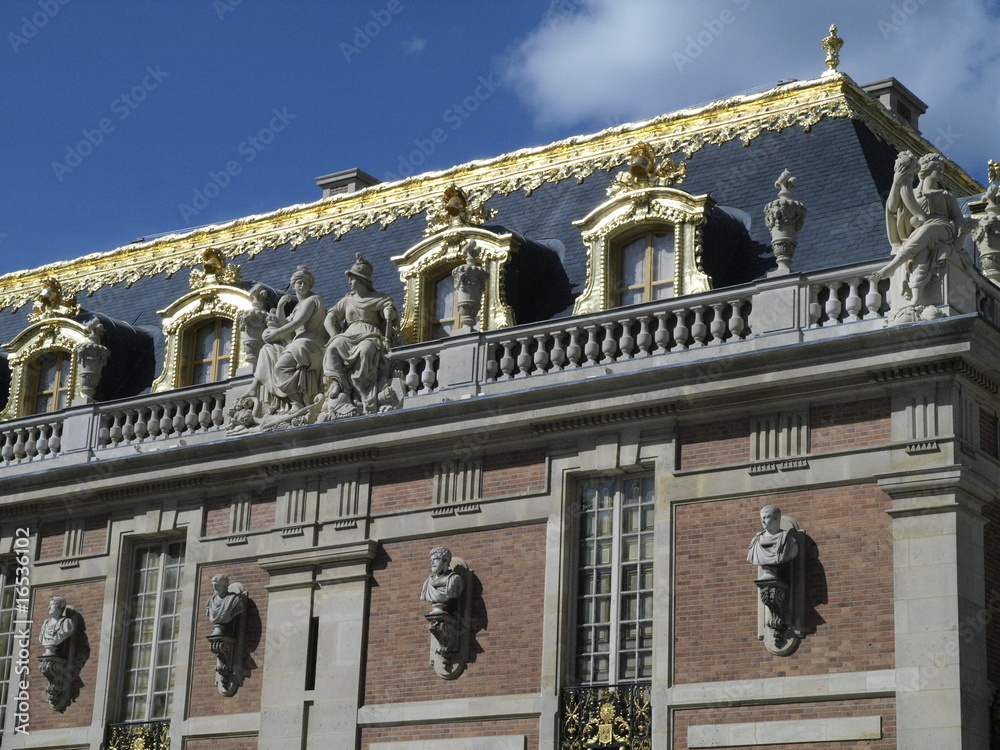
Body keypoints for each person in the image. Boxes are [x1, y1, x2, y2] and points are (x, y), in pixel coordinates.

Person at [873, 151, 965, 305]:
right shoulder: (913, 193)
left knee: (928, 230)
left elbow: (958, 220)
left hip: (943, 229)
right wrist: (897, 181)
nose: (941, 171)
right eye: (937, 167)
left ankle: (892, 266)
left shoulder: (946, 195)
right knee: (921, 253)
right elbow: (892, 208)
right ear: (927, 169)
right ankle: (916, 295)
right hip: (921, 233)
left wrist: (960, 237)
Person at [322, 254, 399, 416]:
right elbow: (330, 318)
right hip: (349, 334)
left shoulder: (379, 298)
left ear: (362, 280)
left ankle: (363, 390)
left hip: (369, 334)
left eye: (352, 278)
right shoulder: (347, 300)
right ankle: (338, 383)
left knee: (366, 350)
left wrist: (388, 313)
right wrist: (335, 335)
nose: (349, 282)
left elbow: (387, 308)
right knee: (333, 348)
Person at [251, 266, 326, 413]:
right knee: (267, 350)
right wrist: (280, 306)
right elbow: (286, 324)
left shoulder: (312, 300)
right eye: (299, 283)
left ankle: (296, 402)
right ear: (293, 285)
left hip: (310, 342)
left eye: (305, 283)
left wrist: (275, 334)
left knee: (281, 368)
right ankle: (265, 391)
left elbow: (297, 323)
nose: (302, 286)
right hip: (298, 342)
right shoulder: (298, 306)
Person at [747, 505, 798, 579]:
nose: (763, 521)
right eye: (762, 518)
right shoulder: (755, 542)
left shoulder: (790, 541)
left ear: (776, 518)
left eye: (767, 517)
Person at [420, 547, 464, 615]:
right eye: (431, 560)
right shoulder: (427, 583)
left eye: (435, 559)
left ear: (445, 560)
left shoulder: (455, 580)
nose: (432, 563)